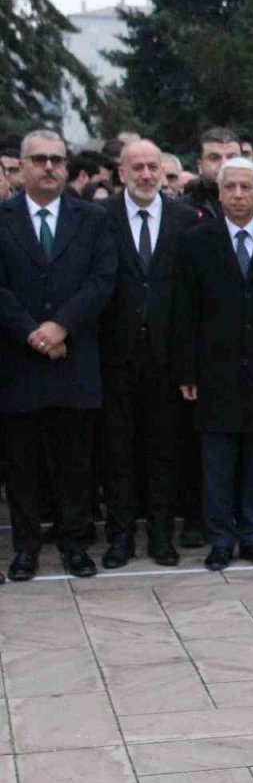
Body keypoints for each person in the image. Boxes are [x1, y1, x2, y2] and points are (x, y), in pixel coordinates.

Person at [0, 129, 117, 582]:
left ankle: (75, 543)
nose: (49, 167)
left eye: (56, 159)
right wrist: (32, 331)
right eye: (39, 160)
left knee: (75, 463)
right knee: (23, 465)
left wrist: (61, 325)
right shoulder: (4, 217)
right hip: (19, 360)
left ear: (66, 167)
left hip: (74, 357)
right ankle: (26, 547)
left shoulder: (91, 219)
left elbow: (102, 279)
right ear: (22, 167)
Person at [175, 157, 253, 570]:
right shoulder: (196, 240)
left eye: (246, 187)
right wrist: (186, 369)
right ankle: (221, 538)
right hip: (213, 370)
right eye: (231, 188)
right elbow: (184, 310)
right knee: (217, 461)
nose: (238, 195)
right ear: (219, 193)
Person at [99, 139, 200, 569]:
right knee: (118, 451)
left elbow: (191, 296)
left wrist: (187, 363)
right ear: (121, 173)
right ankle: (120, 536)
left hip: (167, 357)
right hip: (114, 355)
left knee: (164, 450)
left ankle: (161, 535)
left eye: (152, 167)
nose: (145, 175)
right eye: (136, 167)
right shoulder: (100, 218)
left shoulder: (183, 219)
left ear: (162, 172)